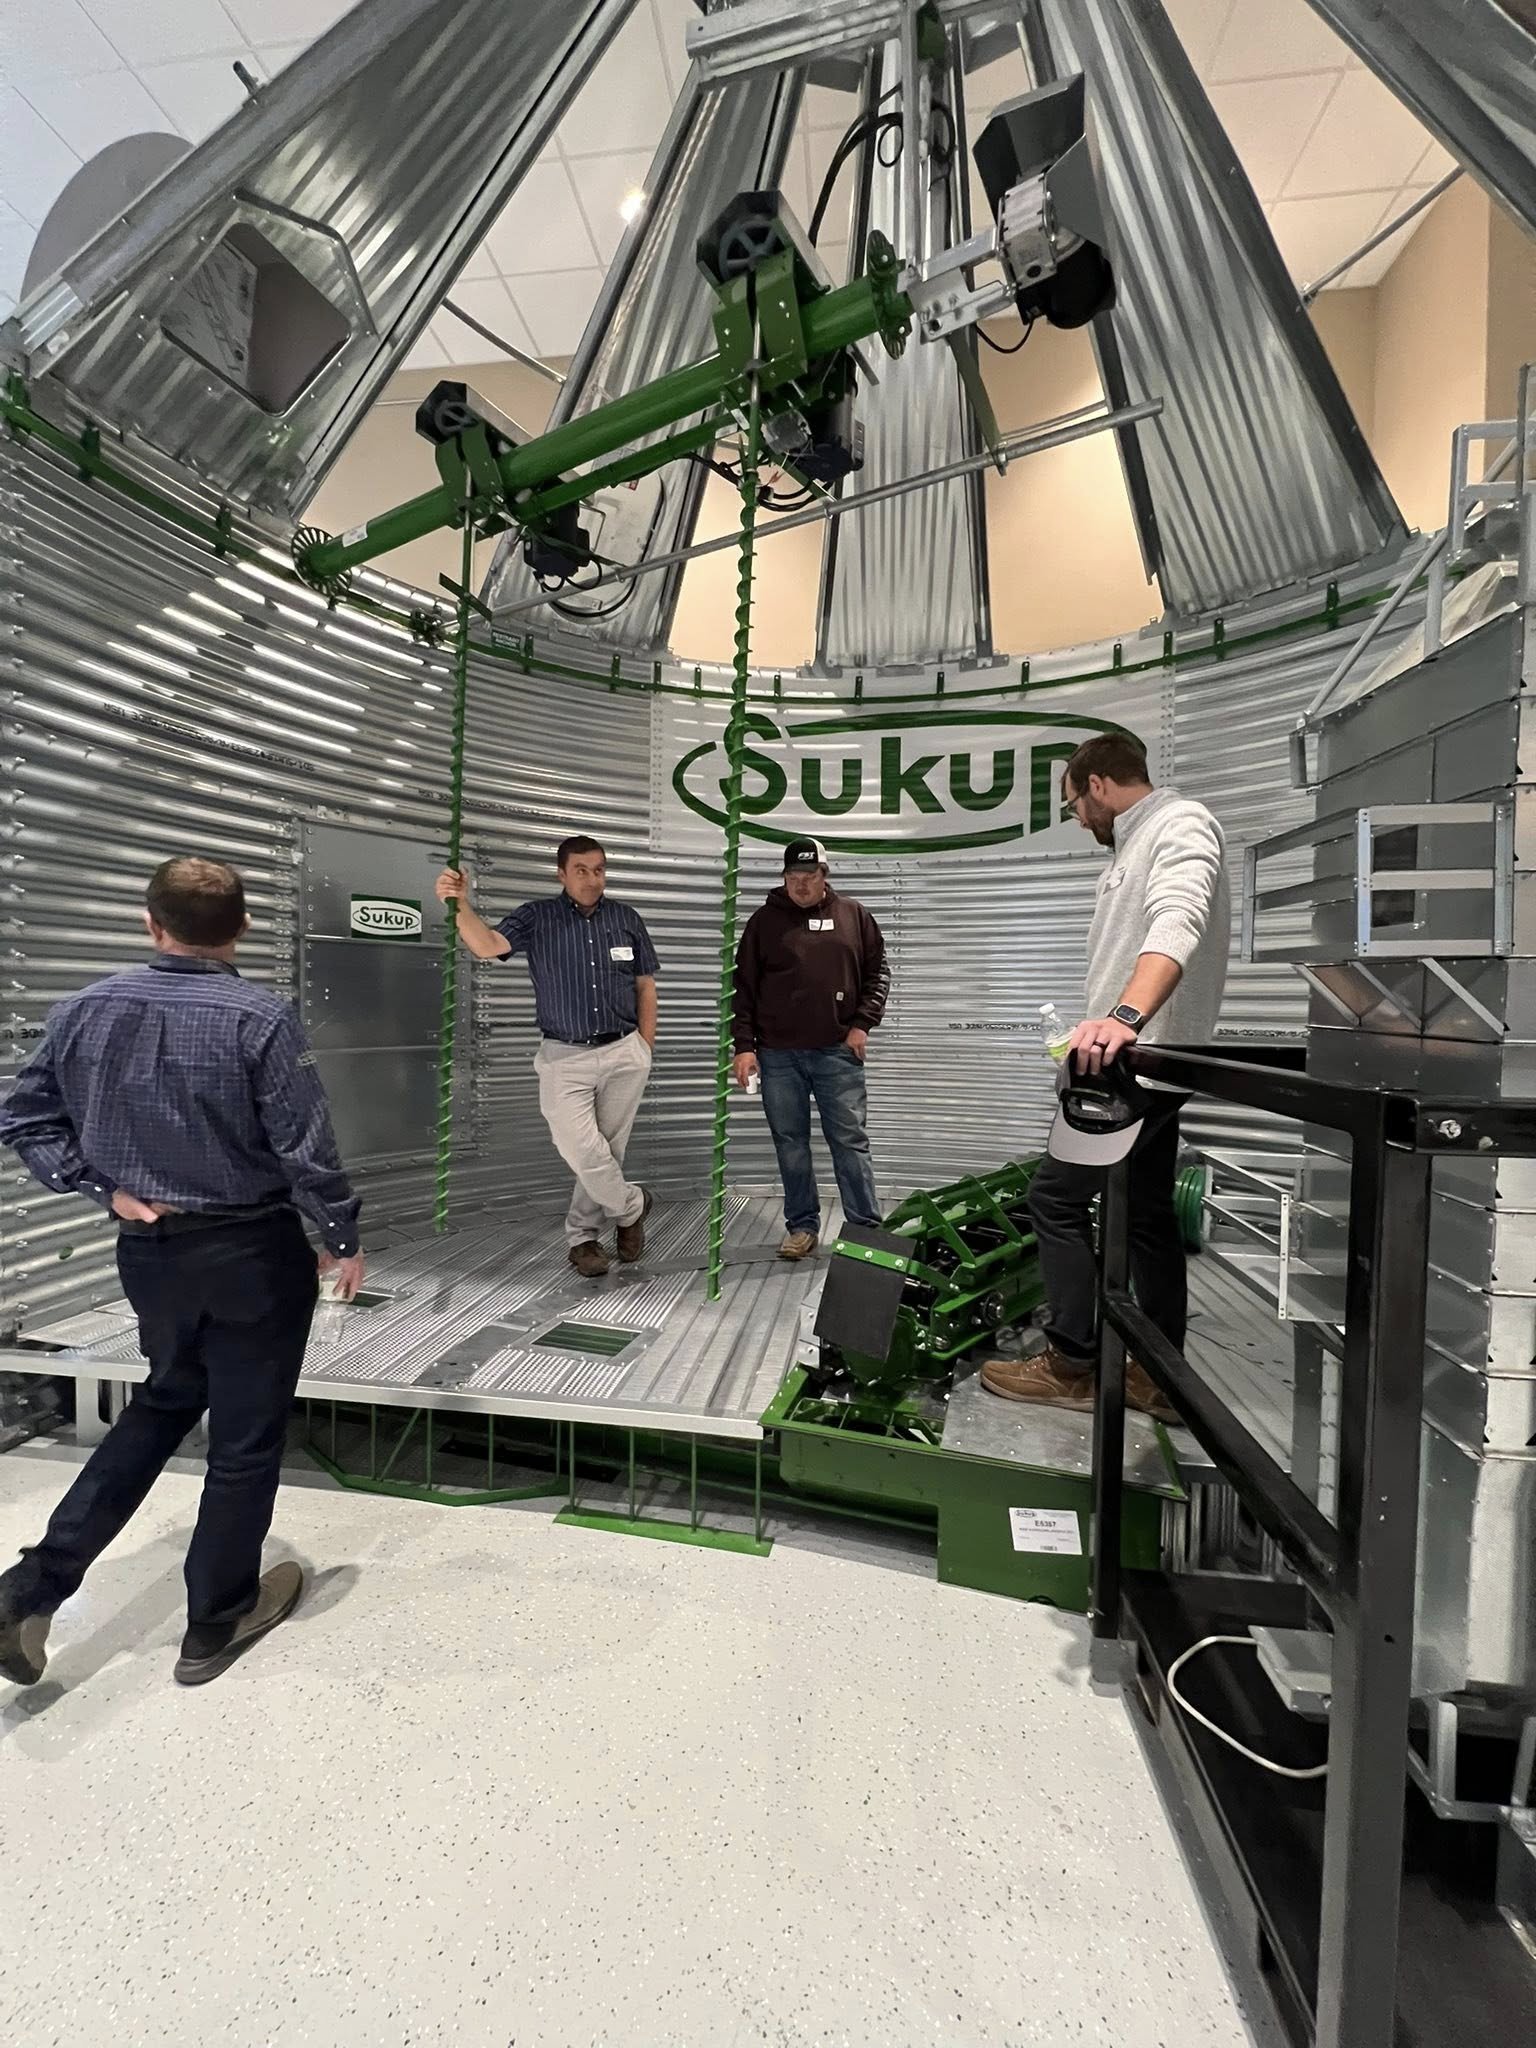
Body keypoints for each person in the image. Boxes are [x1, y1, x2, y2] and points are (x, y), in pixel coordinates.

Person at [0, 858, 363, 1692]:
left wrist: (103, 1189)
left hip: (153, 1254)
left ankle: (32, 1586)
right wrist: (340, 1236)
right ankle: (216, 1618)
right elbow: (305, 1149)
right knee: (243, 1438)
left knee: (166, 1396)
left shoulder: (84, 1008)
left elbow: (23, 1116)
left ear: (149, 922)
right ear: (239, 929)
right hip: (253, 1255)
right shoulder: (261, 1017)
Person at [982, 735, 1230, 1418]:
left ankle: (1072, 1363)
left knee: (1056, 1202)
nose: (1079, 820)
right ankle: (1160, 1374)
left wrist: (1124, 1017)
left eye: (1073, 806)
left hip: (1131, 1072)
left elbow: (1178, 919)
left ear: (1096, 785)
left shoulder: (1179, 825)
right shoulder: (1135, 844)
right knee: (1147, 1215)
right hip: (1145, 1065)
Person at [436, 835, 659, 1278]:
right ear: (561, 873)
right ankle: (632, 1207)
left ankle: (583, 1239)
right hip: (564, 1056)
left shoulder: (626, 918)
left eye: (598, 870)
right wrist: (459, 903)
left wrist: (644, 1047)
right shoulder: (537, 917)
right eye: (581, 870)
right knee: (582, 1151)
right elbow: (486, 945)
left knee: (607, 1151)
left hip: (623, 1051)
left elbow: (645, 987)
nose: (592, 879)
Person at [732, 837, 889, 1260]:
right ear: (784, 878)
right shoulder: (763, 923)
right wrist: (744, 1047)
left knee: (850, 1142)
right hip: (778, 1056)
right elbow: (743, 989)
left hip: (837, 1052)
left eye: (809, 876)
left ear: (825, 875)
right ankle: (802, 1226)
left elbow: (878, 975)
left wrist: (862, 1025)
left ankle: (864, 1230)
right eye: (793, 877)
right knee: (790, 1143)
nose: (801, 885)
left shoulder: (853, 916)